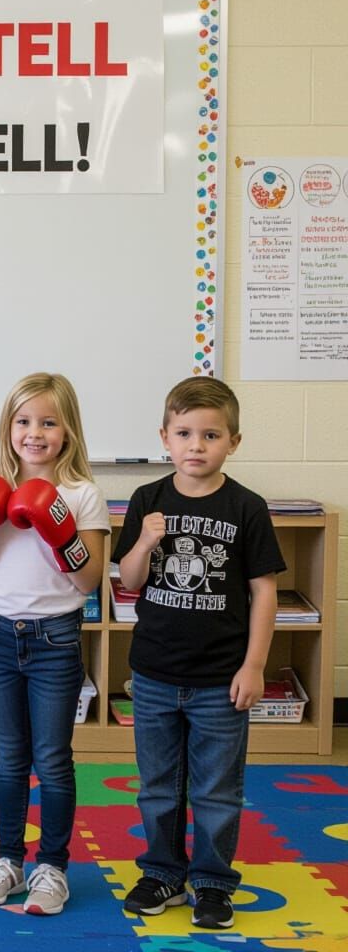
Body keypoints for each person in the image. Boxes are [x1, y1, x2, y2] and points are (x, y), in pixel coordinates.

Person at [113, 376, 284, 930]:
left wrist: (254, 664)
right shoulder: (148, 499)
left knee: (216, 789)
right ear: (165, 436)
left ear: (233, 442)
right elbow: (131, 581)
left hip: (220, 680)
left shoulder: (247, 507)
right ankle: (162, 871)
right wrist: (144, 542)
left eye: (210, 435)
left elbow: (264, 590)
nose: (196, 445)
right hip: (156, 674)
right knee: (158, 785)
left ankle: (212, 882)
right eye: (184, 433)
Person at [0, 372, 108, 915]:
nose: (34, 432)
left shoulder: (82, 494)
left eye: (48, 421)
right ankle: (7, 861)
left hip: (55, 639)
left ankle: (52, 866)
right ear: (7, 429)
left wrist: (58, 527)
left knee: (52, 757)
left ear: (67, 431)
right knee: (8, 757)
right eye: (23, 421)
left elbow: (88, 582)